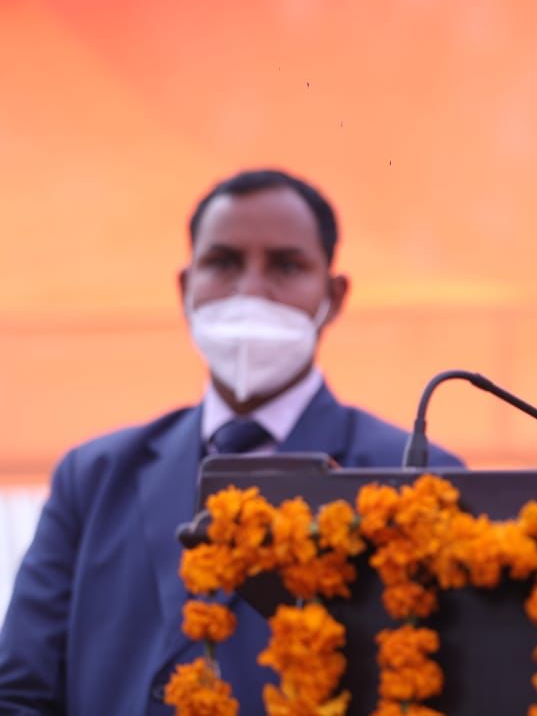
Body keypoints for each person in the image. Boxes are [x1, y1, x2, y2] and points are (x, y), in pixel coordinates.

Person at [0, 169, 464, 714]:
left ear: (333, 296)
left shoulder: (417, 477)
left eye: (286, 266)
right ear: (185, 287)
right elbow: (19, 693)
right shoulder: (95, 476)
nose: (251, 291)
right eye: (223, 263)